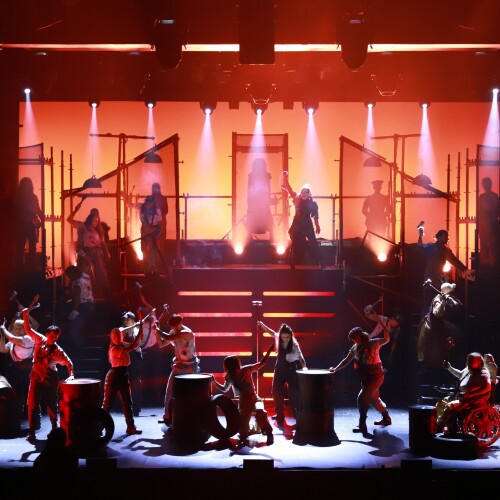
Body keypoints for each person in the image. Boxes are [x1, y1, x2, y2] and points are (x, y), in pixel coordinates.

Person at [22, 308, 74, 443]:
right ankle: (32, 431)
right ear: (47, 334)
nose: (54, 338)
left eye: (56, 337)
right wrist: (25, 316)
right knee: (32, 404)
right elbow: (28, 330)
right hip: (36, 377)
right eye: (52, 336)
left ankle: (54, 429)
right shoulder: (39, 339)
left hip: (50, 378)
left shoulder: (58, 351)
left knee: (51, 405)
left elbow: (69, 363)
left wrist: (71, 375)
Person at [329, 326, 391, 434]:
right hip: (367, 377)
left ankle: (362, 425)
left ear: (360, 335)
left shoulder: (373, 343)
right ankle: (386, 417)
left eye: (354, 338)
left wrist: (385, 329)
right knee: (373, 399)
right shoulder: (355, 347)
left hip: (376, 375)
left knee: (362, 398)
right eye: (352, 339)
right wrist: (336, 369)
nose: (353, 340)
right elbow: (346, 360)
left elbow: (386, 339)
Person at [211, 343, 275, 446]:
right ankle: (258, 426)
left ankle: (268, 432)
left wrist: (269, 351)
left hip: (254, 398)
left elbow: (262, 363)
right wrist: (214, 381)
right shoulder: (230, 377)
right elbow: (224, 389)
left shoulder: (246, 369)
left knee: (260, 410)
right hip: (243, 404)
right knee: (243, 433)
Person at [153, 313, 200, 426]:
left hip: (190, 367)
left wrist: (158, 329)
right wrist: (156, 332)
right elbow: (161, 344)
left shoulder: (187, 332)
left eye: (176, 325)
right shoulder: (173, 332)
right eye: (173, 326)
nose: (174, 328)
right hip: (178, 366)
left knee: (188, 393)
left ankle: (190, 418)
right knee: (169, 390)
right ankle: (166, 416)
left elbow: (168, 338)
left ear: (180, 323)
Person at [257, 321, 307, 427]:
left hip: (290, 369)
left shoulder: (294, 345)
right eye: (283, 337)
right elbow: (271, 332)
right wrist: (262, 325)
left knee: (293, 393)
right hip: (279, 368)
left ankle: (298, 416)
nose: (285, 339)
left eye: (287, 337)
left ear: (291, 336)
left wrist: (305, 368)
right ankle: (279, 415)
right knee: (276, 391)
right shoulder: (278, 338)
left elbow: (301, 358)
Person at [417, 226, 473, 317]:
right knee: (428, 305)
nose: (447, 238)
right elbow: (420, 248)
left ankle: (437, 323)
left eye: (447, 237)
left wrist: (465, 270)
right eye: (445, 237)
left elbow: (455, 261)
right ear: (439, 238)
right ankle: (424, 324)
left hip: (439, 282)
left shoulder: (446, 251)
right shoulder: (431, 247)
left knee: (439, 306)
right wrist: (420, 236)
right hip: (429, 281)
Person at [101, 319, 144, 435]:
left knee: (127, 403)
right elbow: (132, 346)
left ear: (121, 336)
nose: (117, 338)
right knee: (107, 405)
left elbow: (135, 345)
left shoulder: (122, 344)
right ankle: (98, 428)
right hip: (114, 376)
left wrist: (140, 331)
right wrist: (139, 330)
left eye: (119, 336)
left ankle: (130, 427)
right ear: (112, 337)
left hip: (123, 375)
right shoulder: (114, 349)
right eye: (115, 336)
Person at [437, 352, 491, 433]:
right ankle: (439, 422)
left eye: (471, 361)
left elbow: (487, 387)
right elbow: (459, 374)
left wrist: (470, 394)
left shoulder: (483, 374)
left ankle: (439, 425)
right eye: (468, 361)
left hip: (471, 401)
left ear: (479, 363)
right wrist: (449, 368)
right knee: (442, 402)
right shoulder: (468, 370)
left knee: (450, 405)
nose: (468, 363)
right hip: (461, 397)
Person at [280, 170, 324, 269]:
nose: (303, 194)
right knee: (296, 243)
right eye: (302, 192)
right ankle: (293, 262)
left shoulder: (312, 203)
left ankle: (321, 262)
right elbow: (290, 190)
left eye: (306, 192)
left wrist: (317, 226)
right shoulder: (297, 198)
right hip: (297, 224)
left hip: (307, 224)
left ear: (309, 193)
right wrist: (285, 181)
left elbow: (315, 215)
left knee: (313, 243)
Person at [67, 201, 110, 298]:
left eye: (98, 220)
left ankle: (104, 293)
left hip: (95, 252)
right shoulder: (81, 226)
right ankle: (79, 293)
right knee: (83, 273)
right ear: (90, 218)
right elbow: (69, 220)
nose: (96, 222)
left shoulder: (97, 230)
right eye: (95, 220)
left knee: (101, 273)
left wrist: (106, 251)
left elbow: (102, 242)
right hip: (84, 251)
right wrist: (76, 210)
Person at [0, 318, 35, 416]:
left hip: (27, 370)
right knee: (19, 393)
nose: (18, 330)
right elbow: (3, 349)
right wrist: (2, 336)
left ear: (26, 329)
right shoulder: (13, 341)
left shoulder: (27, 338)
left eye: (20, 328)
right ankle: (20, 414)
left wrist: (4, 330)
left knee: (30, 393)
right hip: (16, 370)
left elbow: (12, 338)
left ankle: (34, 416)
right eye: (16, 328)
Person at [15, 177, 44, 271]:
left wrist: (42, 218)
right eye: (25, 185)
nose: (26, 187)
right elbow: (17, 212)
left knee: (31, 247)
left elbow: (38, 210)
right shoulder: (19, 198)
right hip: (22, 225)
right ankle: (21, 266)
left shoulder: (33, 197)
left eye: (27, 185)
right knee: (21, 246)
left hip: (30, 225)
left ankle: (31, 266)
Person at [364, 301, 402, 370]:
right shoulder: (383, 319)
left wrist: (391, 354)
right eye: (396, 321)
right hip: (373, 342)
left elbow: (394, 342)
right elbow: (368, 315)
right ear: (392, 318)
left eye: (398, 322)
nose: (396, 323)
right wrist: (368, 309)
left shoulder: (397, 329)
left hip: (384, 348)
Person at [120, 311, 144, 417]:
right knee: (124, 382)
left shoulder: (137, 330)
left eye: (127, 319)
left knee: (136, 382)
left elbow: (138, 342)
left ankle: (136, 406)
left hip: (135, 358)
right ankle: (125, 405)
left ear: (132, 320)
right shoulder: (120, 329)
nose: (125, 321)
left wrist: (139, 326)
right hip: (124, 358)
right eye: (124, 319)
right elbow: (121, 333)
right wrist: (134, 325)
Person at [245, 158, 274, 241]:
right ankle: (250, 235)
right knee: (254, 217)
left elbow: (268, 188)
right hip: (256, 199)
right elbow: (249, 188)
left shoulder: (265, 175)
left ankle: (271, 236)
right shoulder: (253, 175)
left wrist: (268, 198)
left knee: (265, 216)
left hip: (260, 198)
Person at [477, 176, 499, 268]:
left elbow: (496, 210)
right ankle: (487, 262)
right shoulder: (485, 197)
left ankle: (490, 263)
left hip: (489, 223)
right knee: (486, 243)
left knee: (490, 244)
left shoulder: (493, 196)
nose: (485, 185)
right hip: (485, 223)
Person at [140, 195, 163, 276]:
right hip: (144, 232)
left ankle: (154, 269)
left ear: (153, 203)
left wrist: (158, 233)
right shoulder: (141, 207)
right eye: (148, 202)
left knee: (153, 251)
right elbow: (132, 205)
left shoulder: (157, 211)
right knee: (144, 250)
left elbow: (160, 223)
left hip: (153, 232)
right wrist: (127, 202)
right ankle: (146, 269)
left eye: (151, 203)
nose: (149, 204)